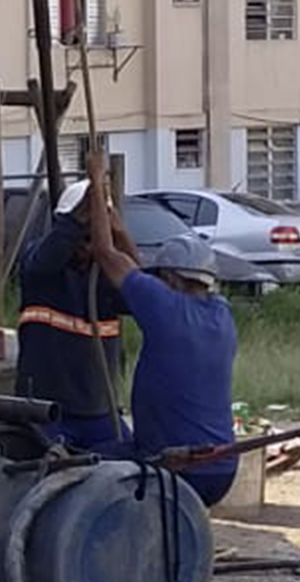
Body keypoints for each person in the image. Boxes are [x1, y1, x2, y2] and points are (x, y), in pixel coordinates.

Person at [83, 153, 239, 506]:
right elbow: (138, 280)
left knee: (81, 465)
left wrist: (96, 182)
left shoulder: (165, 308)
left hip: (176, 466)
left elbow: (107, 255)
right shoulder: (221, 315)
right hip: (223, 467)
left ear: (169, 278)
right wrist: (121, 229)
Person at [14, 178, 140, 456]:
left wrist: (120, 235)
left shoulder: (107, 279)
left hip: (99, 414)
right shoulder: (39, 267)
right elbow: (46, 257)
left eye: (92, 238)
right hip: (46, 412)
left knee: (132, 469)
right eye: (81, 237)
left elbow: (141, 294)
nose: (86, 247)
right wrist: (82, 215)